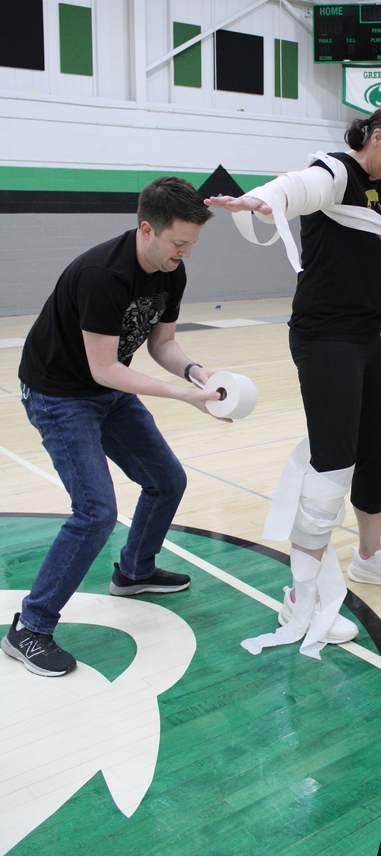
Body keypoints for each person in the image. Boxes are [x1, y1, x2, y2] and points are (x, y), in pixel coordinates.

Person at [206, 103, 381, 659]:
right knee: (332, 466)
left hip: (365, 334)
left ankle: (369, 557)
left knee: (380, 448)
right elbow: (294, 188)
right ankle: (300, 596)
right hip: (324, 336)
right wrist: (260, 201)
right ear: (375, 137)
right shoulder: (335, 173)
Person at [1, 177, 225, 677]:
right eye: (178, 243)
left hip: (107, 393)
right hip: (59, 395)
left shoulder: (171, 272)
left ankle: (134, 571)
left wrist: (196, 372)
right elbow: (105, 368)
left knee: (167, 480)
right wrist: (184, 397)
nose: (185, 254)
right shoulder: (104, 274)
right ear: (147, 229)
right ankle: (29, 628)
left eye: (192, 244)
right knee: (96, 511)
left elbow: (162, 344)